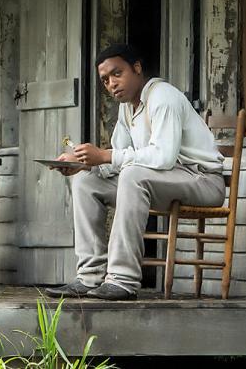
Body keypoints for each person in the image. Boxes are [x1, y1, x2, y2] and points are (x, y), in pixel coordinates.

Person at [45, 43, 225, 301]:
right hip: (163, 180)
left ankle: (122, 280)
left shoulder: (163, 97)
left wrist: (105, 155)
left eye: (117, 73)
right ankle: (90, 276)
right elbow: (121, 156)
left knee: (133, 175)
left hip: (203, 182)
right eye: (105, 80)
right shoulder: (127, 108)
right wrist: (85, 163)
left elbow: (162, 156)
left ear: (137, 68)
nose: (111, 84)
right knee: (86, 181)